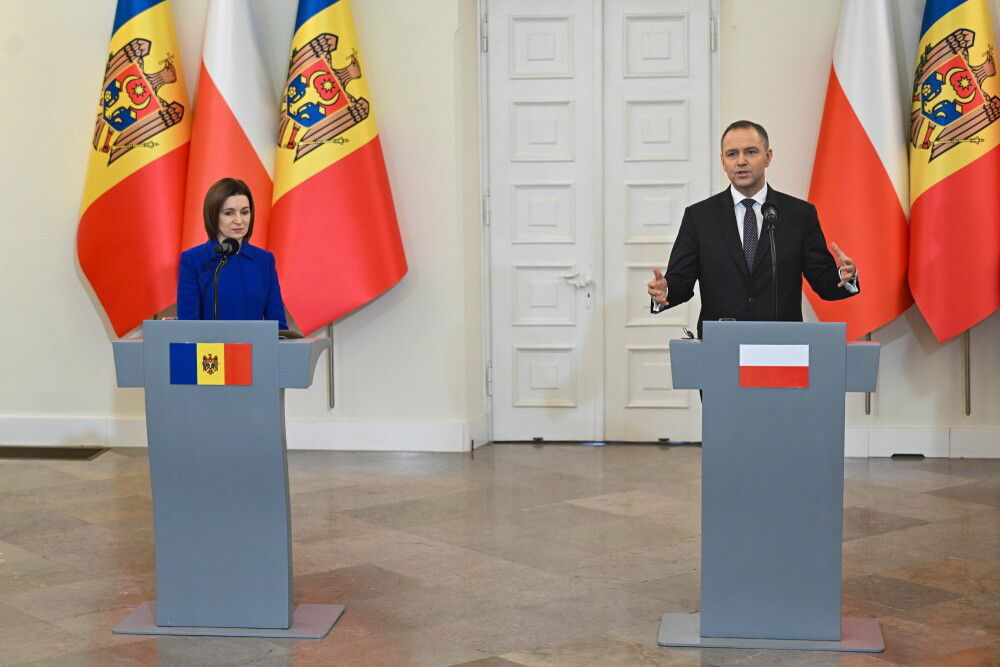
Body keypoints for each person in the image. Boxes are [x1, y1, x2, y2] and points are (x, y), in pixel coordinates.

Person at [647, 120, 858, 336]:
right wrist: (666, 290)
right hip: (721, 342)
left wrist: (844, 277)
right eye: (732, 154)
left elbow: (823, 281)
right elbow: (681, 281)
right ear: (723, 162)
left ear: (768, 157)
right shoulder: (699, 217)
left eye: (750, 152)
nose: (741, 161)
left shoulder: (799, 214)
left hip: (781, 343)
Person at [177, 177, 288, 329]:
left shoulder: (264, 260)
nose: (239, 220)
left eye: (245, 212)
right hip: (210, 346)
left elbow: (278, 327)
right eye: (229, 213)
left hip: (256, 345)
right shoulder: (193, 259)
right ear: (213, 215)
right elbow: (187, 327)